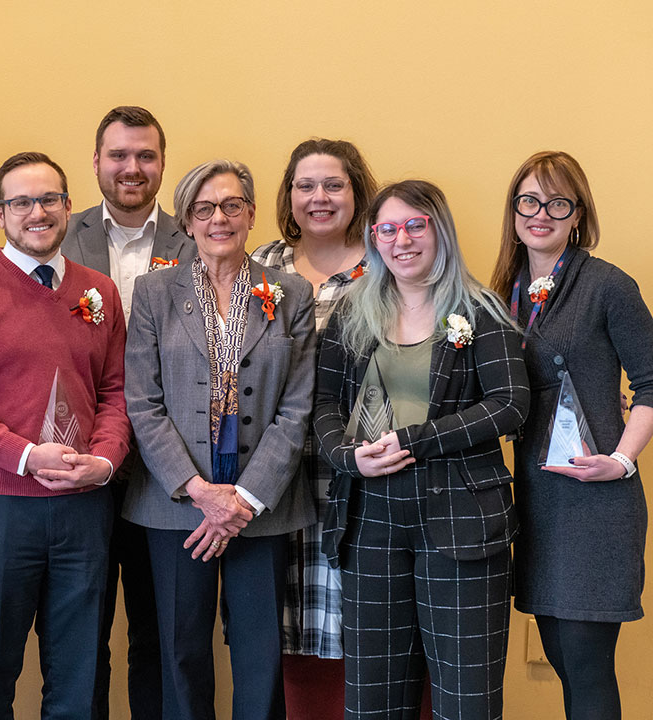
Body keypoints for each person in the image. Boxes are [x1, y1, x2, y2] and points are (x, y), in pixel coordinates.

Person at [0, 152, 131, 719]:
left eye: (49, 199)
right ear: (0, 214)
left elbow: (115, 393)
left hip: (85, 510)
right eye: (21, 202)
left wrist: (106, 462)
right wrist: (26, 456)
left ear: (68, 206)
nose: (36, 212)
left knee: (81, 671)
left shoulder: (100, 293)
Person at [315, 179, 529, 720]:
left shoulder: (480, 311)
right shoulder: (350, 315)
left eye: (415, 225)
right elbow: (322, 409)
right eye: (387, 228)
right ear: (373, 238)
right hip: (369, 522)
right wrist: (348, 455)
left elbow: (510, 405)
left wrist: (419, 440)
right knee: (373, 701)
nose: (401, 240)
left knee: (467, 701)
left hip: (461, 522)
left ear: (440, 230)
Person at [123, 159, 317, 720]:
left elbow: (297, 406)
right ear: (186, 220)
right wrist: (200, 490)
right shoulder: (154, 293)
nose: (219, 219)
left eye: (232, 205)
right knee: (181, 653)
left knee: (259, 654)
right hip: (175, 505)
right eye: (204, 208)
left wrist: (244, 498)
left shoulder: (291, 292)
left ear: (251, 214)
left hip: (262, 507)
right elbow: (143, 402)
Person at [488, 151, 653, 720]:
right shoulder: (500, 292)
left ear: (578, 214)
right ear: (514, 210)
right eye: (530, 200)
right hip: (533, 501)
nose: (542, 214)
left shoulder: (607, 285)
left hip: (595, 501)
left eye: (558, 203)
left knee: (585, 663)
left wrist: (623, 460)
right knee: (559, 651)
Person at [61, 105, 194, 720]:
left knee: (160, 635)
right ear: (96, 163)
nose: (131, 168)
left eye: (145, 156)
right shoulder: (57, 234)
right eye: (118, 155)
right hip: (78, 469)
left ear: (162, 164)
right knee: (80, 638)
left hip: (167, 474)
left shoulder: (195, 242)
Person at [249, 138, 379, 720]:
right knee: (287, 628)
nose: (319, 198)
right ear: (289, 195)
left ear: (357, 193)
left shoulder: (389, 261)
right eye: (306, 186)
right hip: (275, 480)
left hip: (366, 480)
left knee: (371, 624)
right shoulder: (261, 267)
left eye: (334, 185)